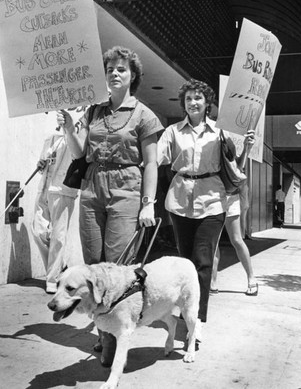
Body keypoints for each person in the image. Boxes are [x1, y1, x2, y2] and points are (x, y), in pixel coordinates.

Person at [57, 46, 164, 265]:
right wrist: (68, 128)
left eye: (121, 69)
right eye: (109, 69)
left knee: (118, 261)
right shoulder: (94, 111)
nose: (114, 73)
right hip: (92, 187)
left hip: (127, 187)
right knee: (93, 260)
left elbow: (152, 163)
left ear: (132, 75)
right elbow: (79, 153)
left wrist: (148, 203)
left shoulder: (144, 115)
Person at [157, 79, 229, 342]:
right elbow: (156, 159)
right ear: (183, 104)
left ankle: (197, 321)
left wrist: (246, 144)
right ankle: (187, 312)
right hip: (179, 200)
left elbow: (235, 164)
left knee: (203, 262)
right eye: (188, 99)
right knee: (185, 263)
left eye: (198, 97)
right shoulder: (173, 131)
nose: (193, 102)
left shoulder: (220, 132)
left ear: (207, 102)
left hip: (212, 201)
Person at [31, 131, 79, 294]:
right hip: (44, 187)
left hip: (62, 190)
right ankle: (60, 267)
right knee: (38, 232)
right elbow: (44, 161)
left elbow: (77, 156)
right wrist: (41, 165)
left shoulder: (76, 135)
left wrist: (70, 130)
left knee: (58, 236)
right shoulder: (50, 138)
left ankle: (53, 279)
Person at [210, 178, 259, 296]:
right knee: (213, 241)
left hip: (231, 197)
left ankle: (251, 278)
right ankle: (213, 282)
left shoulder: (235, 160)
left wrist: (244, 201)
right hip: (212, 197)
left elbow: (240, 177)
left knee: (237, 240)